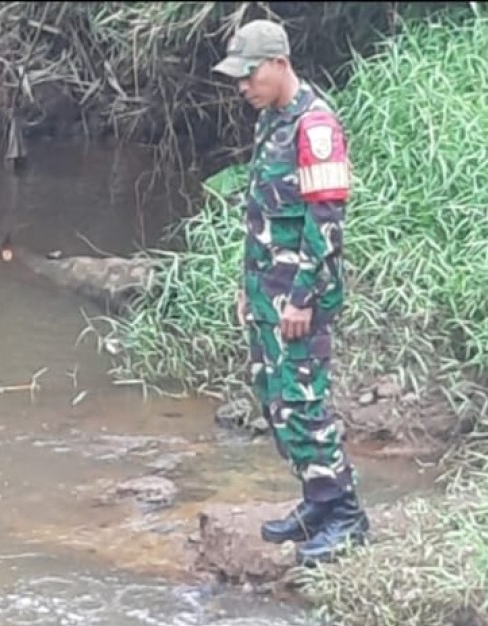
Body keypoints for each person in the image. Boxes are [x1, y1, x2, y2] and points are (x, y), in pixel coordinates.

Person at [212, 19, 369, 566]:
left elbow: (326, 222)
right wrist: (247, 286)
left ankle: (346, 515)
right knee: (275, 402)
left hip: (299, 296)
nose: (243, 87)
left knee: (304, 404)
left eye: (249, 75)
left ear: (279, 64)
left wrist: (303, 297)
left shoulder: (315, 125)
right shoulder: (272, 120)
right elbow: (261, 215)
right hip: (265, 292)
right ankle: (317, 500)